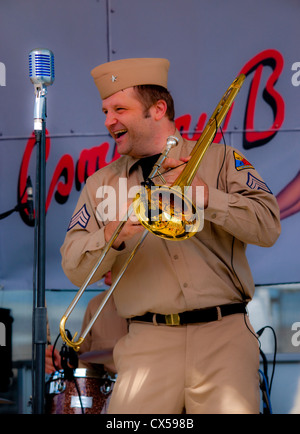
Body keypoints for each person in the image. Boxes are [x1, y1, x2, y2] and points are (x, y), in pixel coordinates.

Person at [60, 58, 281, 414]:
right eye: (105, 111)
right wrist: (114, 233)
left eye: (119, 109)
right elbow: (72, 267)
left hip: (223, 336)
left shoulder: (221, 160)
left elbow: (268, 226)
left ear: (158, 109)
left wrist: (207, 197)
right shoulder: (100, 184)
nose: (108, 121)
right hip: (146, 340)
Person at [45, 272, 128, 375]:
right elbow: (85, 363)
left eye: (113, 257)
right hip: (109, 390)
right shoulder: (96, 306)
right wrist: (65, 365)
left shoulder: (153, 305)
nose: (104, 267)